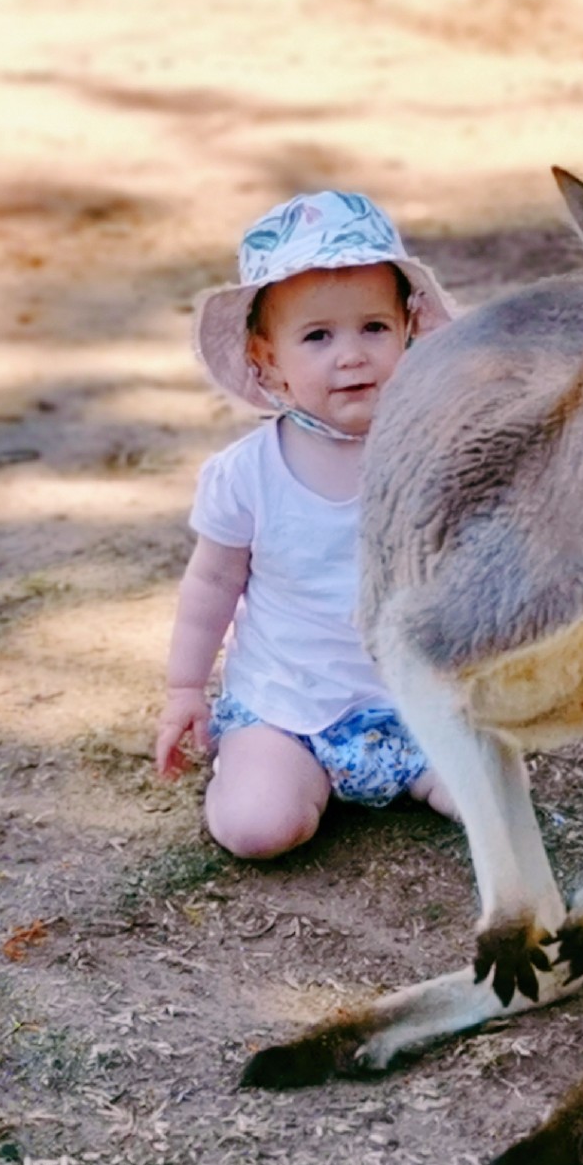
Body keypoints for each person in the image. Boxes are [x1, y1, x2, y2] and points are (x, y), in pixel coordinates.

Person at [154, 192, 462, 858]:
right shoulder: (248, 474)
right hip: (287, 705)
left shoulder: (436, 454)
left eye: (373, 328)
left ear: (409, 331)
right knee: (258, 827)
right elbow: (211, 583)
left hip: (418, 704)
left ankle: (414, 771)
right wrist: (185, 686)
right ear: (266, 360)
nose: (350, 356)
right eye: (317, 336)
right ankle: (262, 766)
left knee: (490, 797)